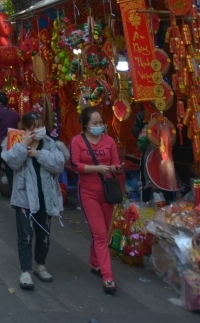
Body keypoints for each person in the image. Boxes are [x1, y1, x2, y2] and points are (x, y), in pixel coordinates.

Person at [2, 111, 66, 290]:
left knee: (44, 236)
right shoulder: (16, 141)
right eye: (35, 126)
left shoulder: (51, 144)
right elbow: (12, 162)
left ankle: (40, 264)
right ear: (26, 128)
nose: (39, 129)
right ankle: (25, 270)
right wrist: (23, 145)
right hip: (24, 199)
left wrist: (37, 154)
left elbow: (59, 164)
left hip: (46, 197)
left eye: (41, 125)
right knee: (25, 236)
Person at [70, 106, 123, 294]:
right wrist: (98, 168)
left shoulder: (109, 141)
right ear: (86, 125)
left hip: (108, 192)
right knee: (100, 234)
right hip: (88, 192)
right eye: (95, 123)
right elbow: (75, 165)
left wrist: (116, 168)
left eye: (101, 123)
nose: (99, 126)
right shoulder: (77, 141)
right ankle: (108, 277)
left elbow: (116, 163)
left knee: (103, 233)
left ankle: (95, 262)